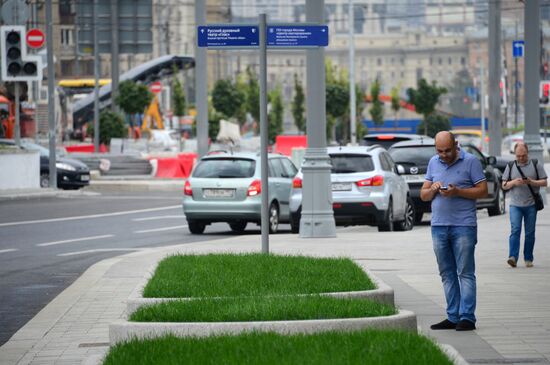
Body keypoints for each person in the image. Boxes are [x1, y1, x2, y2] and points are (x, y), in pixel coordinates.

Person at [420, 131, 488, 331]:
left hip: (463, 226)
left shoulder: (471, 161)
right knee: (446, 273)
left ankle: (467, 317)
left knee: (465, 272)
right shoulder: (433, 162)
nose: (443, 154)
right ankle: (452, 316)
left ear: (456, 145)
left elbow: (483, 191)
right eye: (439, 151)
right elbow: (424, 195)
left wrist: (458, 191)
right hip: (439, 226)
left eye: (447, 150)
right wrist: (432, 189)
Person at [501, 142, 547, 268]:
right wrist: (513, 182)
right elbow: (503, 185)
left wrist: (531, 181)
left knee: (529, 233)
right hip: (515, 205)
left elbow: (544, 182)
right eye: (518, 156)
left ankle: (528, 258)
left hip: (531, 204)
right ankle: (513, 257)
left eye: (523, 156)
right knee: (515, 230)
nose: (521, 158)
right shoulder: (510, 165)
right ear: (515, 155)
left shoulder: (535, 164)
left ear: (528, 153)